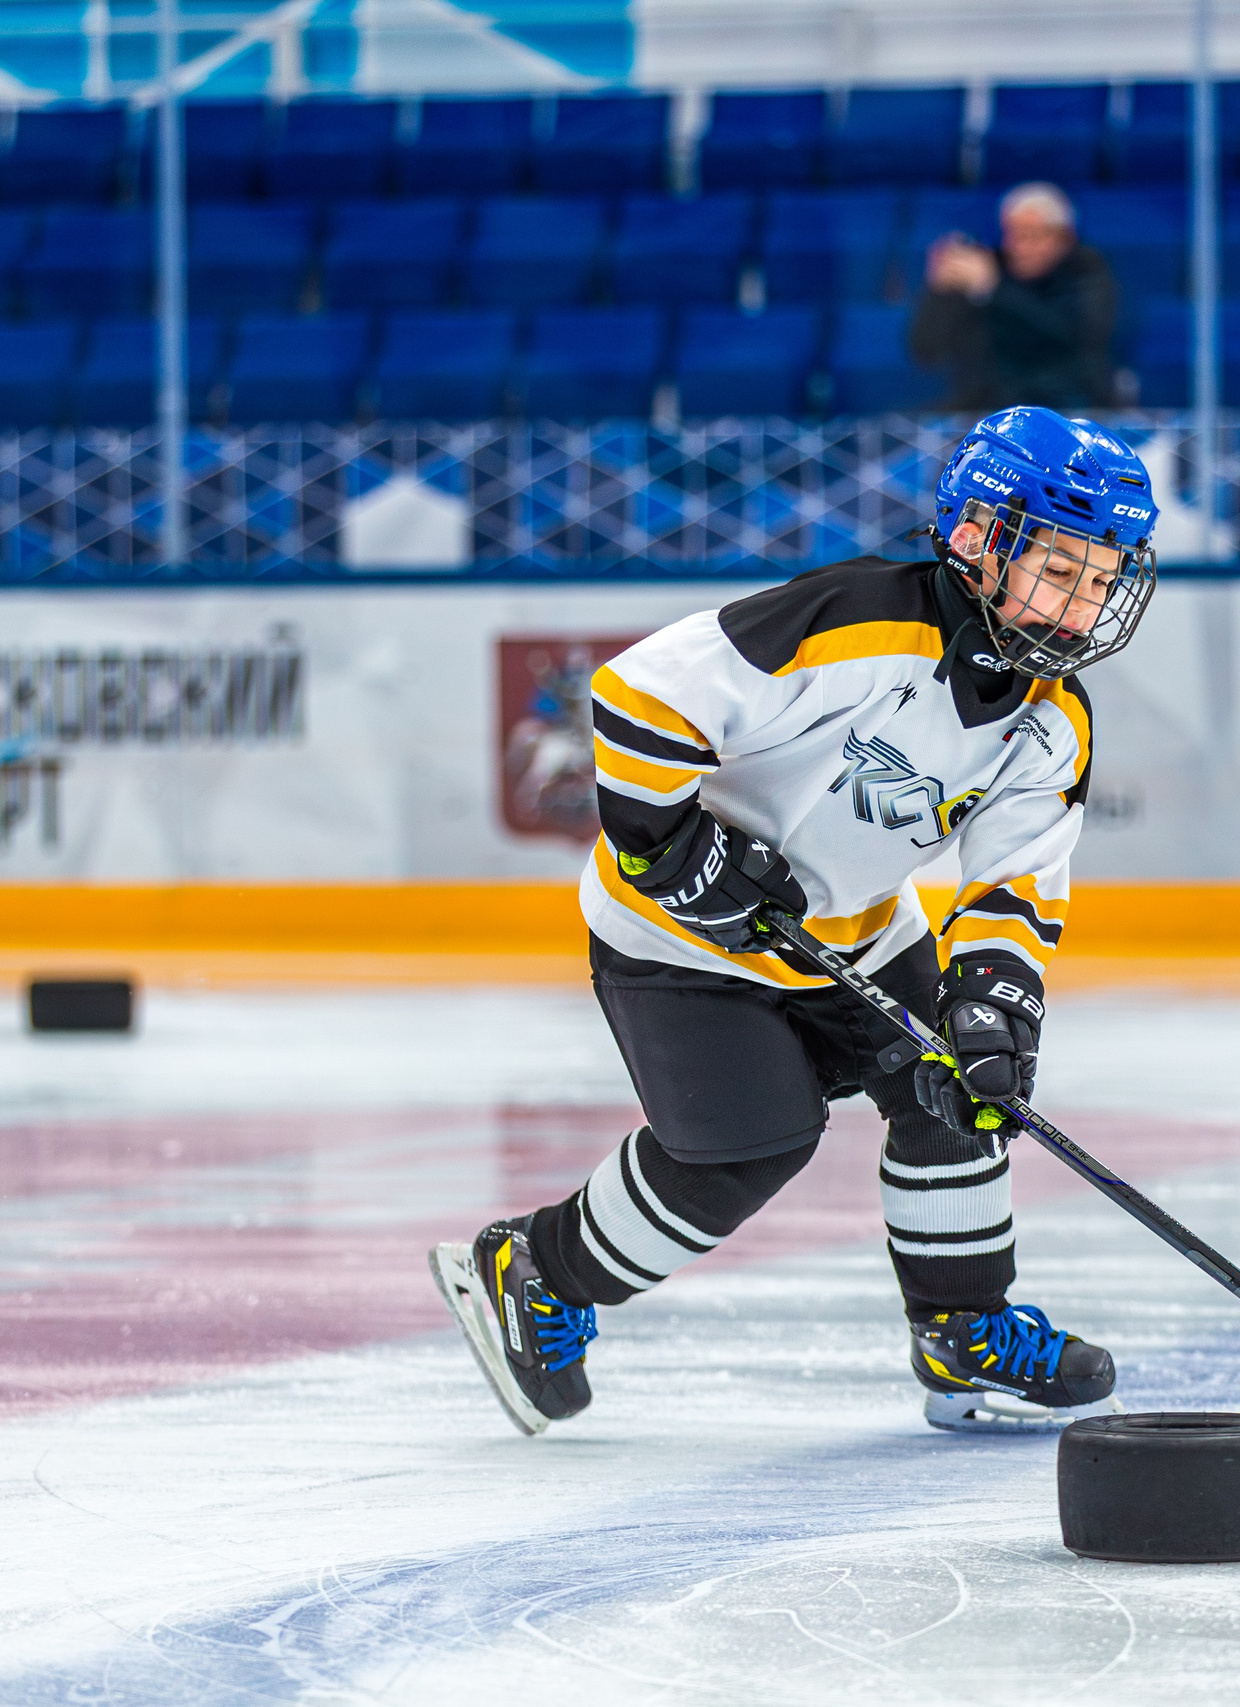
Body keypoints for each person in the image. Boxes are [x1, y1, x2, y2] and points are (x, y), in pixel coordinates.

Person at [431, 405, 1160, 1437]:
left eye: (1100, 579)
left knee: (956, 1085)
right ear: (974, 538)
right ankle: (537, 1269)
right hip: (676, 940)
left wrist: (994, 1005)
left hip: (859, 930)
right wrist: (675, 856)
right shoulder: (855, 623)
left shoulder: (1053, 717)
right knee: (748, 1147)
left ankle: (963, 1325)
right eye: (1060, 569)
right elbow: (639, 699)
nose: (1082, 607)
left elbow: (1016, 885)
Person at [910, 182, 1118, 414]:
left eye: (1033, 236)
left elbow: (1072, 334)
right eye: (1013, 235)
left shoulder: (1087, 271)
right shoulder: (992, 267)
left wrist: (991, 289)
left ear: (1064, 238)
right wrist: (939, 292)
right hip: (988, 410)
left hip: (1069, 409)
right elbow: (926, 351)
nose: (1021, 247)